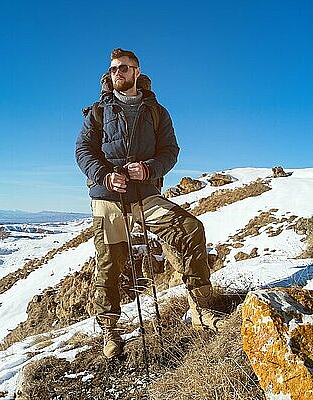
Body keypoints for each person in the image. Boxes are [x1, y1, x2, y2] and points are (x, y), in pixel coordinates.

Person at [75, 48, 223, 359]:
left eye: (126, 68)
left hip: (145, 194)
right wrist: (104, 176)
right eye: (115, 68)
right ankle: (111, 331)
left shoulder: (157, 112)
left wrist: (149, 169)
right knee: (110, 263)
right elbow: (83, 150)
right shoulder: (98, 112)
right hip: (108, 197)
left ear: (137, 73)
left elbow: (170, 150)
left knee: (190, 230)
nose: (119, 72)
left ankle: (200, 308)